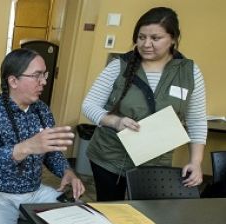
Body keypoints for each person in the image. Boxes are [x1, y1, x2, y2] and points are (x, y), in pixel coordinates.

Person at [82, 6, 207, 201]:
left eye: (155, 38)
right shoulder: (120, 65)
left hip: (155, 162)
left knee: (147, 216)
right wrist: (115, 121)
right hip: (110, 157)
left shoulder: (189, 72)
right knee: (109, 212)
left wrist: (196, 161)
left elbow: (197, 121)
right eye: (141, 37)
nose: (146, 44)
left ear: (173, 39)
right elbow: (89, 105)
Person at [0, 48, 85, 224]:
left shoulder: (42, 110)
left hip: (34, 192)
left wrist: (67, 171)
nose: (44, 82)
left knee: (81, 223)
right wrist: (27, 147)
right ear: (13, 81)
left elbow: (52, 153)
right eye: (37, 75)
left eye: (44, 74)